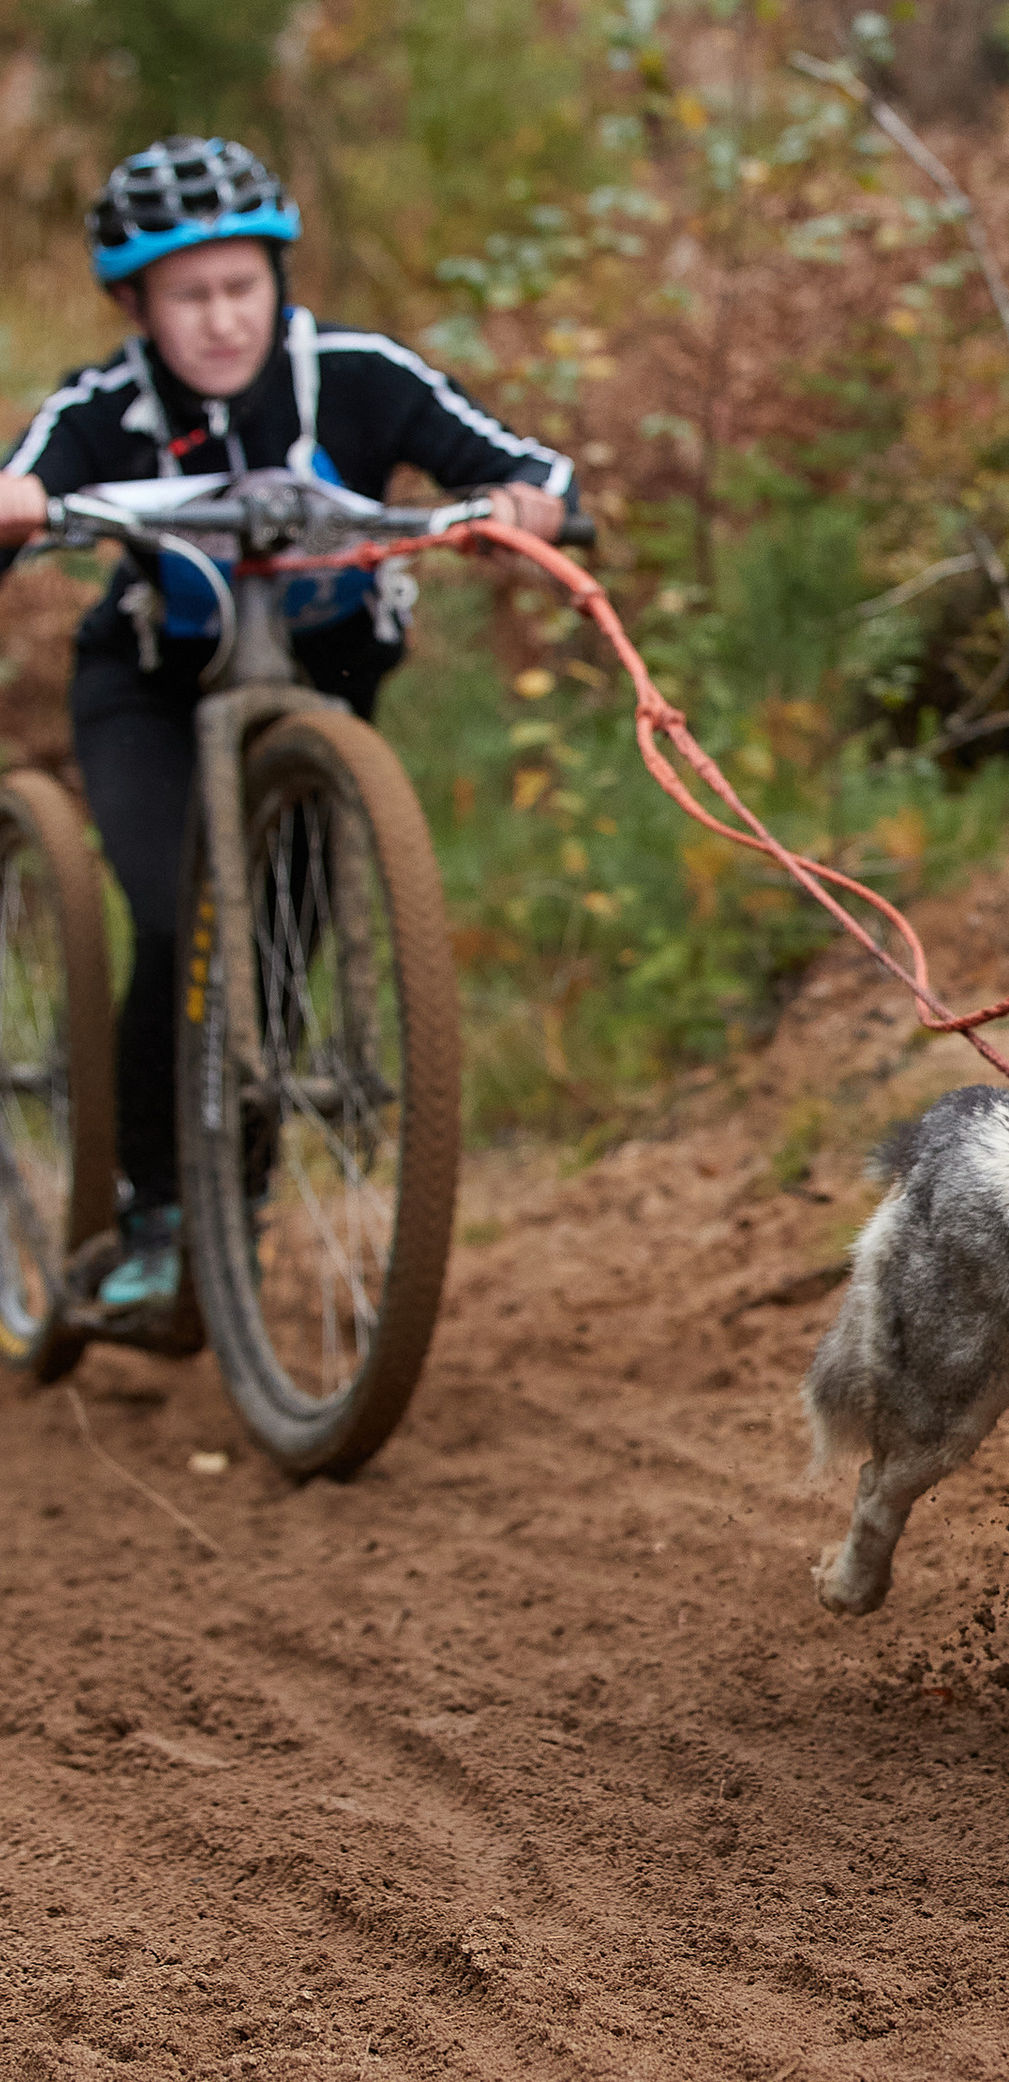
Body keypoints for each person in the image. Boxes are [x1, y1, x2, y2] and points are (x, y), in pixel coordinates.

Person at [0, 137, 577, 1314]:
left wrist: (526, 507)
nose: (221, 319)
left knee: (272, 953)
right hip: (153, 695)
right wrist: (21, 505)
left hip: (321, 696)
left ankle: (238, 1208)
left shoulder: (358, 374)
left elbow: (530, 468)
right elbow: (27, 479)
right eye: (188, 296)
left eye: (240, 286)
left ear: (277, 277)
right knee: (179, 921)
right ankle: (153, 1207)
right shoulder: (105, 406)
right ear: (136, 307)